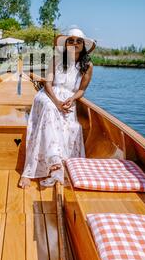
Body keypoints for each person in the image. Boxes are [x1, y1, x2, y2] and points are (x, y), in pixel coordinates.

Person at [18, 27, 96, 188]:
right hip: (49, 95)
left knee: (68, 122)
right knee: (49, 108)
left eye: (78, 41)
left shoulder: (88, 65)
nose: (74, 44)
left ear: (83, 45)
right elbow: (47, 83)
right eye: (71, 40)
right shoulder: (56, 59)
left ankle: (56, 164)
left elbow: (81, 90)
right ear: (66, 44)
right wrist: (56, 102)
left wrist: (71, 99)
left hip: (69, 98)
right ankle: (48, 162)